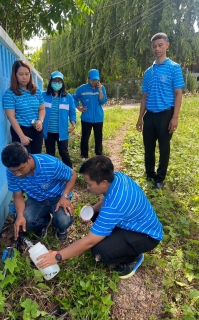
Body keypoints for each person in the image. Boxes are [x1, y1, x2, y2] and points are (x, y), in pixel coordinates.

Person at [36, 155, 163, 279]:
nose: (87, 187)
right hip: (134, 222)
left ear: (103, 183)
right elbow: (108, 199)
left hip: (146, 236)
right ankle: (119, 240)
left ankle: (132, 257)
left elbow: (89, 241)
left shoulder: (114, 205)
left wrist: (58, 256)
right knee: (95, 213)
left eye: (89, 184)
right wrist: (93, 209)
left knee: (100, 251)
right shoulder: (118, 177)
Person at [136, 33, 185, 189]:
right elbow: (144, 96)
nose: (157, 48)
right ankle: (150, 175)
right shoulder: (148, 72)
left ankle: (160, 178)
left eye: (160, 45)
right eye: (154, 46)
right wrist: (140, 118)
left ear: (167, 45)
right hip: (150, 115)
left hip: (166, 114)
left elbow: (178, 94)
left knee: (164, 148)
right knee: (148, 147)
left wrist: (175, 117)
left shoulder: (174, 68)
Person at [1, 142, 77, 241]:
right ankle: (44, 223)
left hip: (57, 198)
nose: (17, 174)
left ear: (29, 159)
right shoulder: (11, 172)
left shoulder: (50, 163)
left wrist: (65, 196)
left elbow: (72, 175)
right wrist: (19, 215)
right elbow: (18, 196)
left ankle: (60, 228)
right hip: (36, 200)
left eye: (21, 169)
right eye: (13, 171)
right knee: (25, 221)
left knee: (64, 221)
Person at [3, 60, 45, 154]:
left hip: (36, 129)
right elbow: (11, 117)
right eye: (20, 74)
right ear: (15, 75)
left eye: (27, 74)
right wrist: (21, 136)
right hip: (20, 131)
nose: (24, 77)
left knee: (36, 158)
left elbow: (42, 109)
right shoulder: (10, 94)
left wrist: (40, 121)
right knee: (24, 161)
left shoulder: (36, 91)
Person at [42, 71, 76, 168]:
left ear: (62, 83)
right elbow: (38, 110)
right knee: (50, 154)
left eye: (59, 81)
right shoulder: (43, 96)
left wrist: (73, 125)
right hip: (48, 131)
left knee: (63, 152)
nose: (57, 83)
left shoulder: (68, 97)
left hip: (62, 132)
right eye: (55, 81)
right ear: (51, 82)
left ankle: (70, 173)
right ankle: (53, 174)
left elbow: (72, 113)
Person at [73, 69, 107, 161]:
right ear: (88, 79)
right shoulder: (82, 88)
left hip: (98, 117)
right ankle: (84, 155)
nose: (94, 82)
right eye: (92, 80)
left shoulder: (102, 88)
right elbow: (73, 97)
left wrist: (100, 90)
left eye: (96, 80)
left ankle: (99, 155)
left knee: (98, 137)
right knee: (85, 137)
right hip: (86, 118)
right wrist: (78, 107)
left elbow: (103, 101)